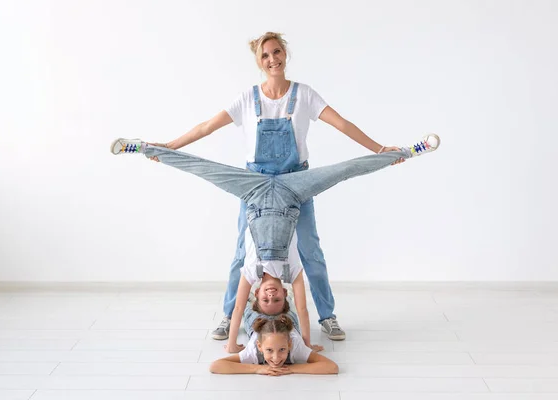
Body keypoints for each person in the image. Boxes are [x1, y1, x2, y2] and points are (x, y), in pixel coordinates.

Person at [145, 32, 410, 342]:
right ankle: (230, 314)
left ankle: (328, 316)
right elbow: (206, 126)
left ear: (286, 53)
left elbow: (342, 124)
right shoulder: (247, 98)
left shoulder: (305, 95)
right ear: (259, 62)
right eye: (266, 56)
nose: (273, 59)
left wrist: (379, 150)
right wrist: (169, 147)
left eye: (277, 52)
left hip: (297, 182)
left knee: (310, 250)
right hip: (254, 185)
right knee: (242, 253)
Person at [110, 134, 440, 351]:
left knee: (200, 168)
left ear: (258, 294)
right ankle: (408, 152)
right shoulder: (291, 270)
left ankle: (142, 148)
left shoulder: (251, 273)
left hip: (252, 189)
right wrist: (307, 346)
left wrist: (231, 347)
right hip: (293, 190)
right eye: (277, 300)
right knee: (347, 169)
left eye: (265, 300)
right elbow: (304, 310)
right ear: (283, 296)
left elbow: (240, 307)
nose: (270, 296)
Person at [209, 315, 338, 376]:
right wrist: (257, 369)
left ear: (289, 344)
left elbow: (332, 367)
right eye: (269, 350)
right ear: (259, 346)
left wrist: (293, 368)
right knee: (252, 312)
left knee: (287, 311)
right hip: (257, 319)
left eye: (282, 349)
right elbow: (215, 366)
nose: (276, 358)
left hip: (287, 319)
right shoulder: (253, 350)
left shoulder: (296, 346)